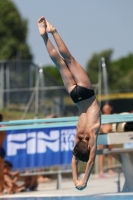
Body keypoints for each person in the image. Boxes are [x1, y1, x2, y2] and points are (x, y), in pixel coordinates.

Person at [37, 16, 101, 190]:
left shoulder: (91, 136)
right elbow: (74, 159)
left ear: (88, 146)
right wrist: (75, 180)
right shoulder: (78, 136)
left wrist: (83, 181)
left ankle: (53, 31)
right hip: (76, 96)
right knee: (60, 63)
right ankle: (44, 36)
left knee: (69, 59)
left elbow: (91, 161)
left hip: (87, 95)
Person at [99, 103, 115, 178]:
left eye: (108, 108)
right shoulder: (101, 117)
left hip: (110, 135)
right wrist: (104, 130)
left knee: (110, 153)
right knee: (101, 154)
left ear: (110, 109)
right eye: (106, 108)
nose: (107, 110)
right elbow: (100, 127)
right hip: (103, 135)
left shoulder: (113, 116)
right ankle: (101, 171)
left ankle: (110, 169)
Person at [0, 114, 6, 195]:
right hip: (1, 149)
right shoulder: (4, 127)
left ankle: (0, 190)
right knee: (1, 173)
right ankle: (1, 190)